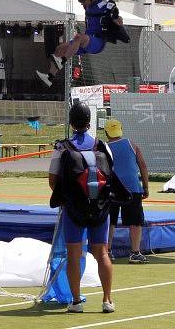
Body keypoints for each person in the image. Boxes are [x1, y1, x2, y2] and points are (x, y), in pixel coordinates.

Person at [48, 102, 115, 314]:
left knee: (73, 254)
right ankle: (107, 300)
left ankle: (76, 301)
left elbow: (53, 180)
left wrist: (67, 196)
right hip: (100, 207)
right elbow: (110, 174)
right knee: (102, 253)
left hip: (73, 209)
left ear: (71, 122)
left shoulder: (62, 147)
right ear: (89, 122)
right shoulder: (102, 145)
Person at [37, 0, 129, 87]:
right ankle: (50, 78)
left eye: (83, 2)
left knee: (79, 37)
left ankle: (62, 61)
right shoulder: (89, 4)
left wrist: (116, 16)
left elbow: (118, 20)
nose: (83, 5)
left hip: (97, 42)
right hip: (86, 41)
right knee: (59, 49)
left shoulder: (103, 6)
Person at [105, 119, 149, 264]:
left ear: (106, 132)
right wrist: (146, 187)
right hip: (132, 187)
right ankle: (135, 253)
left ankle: (108, 251)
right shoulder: (131, 143)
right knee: (135, 222)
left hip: (112, 188)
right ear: (120, 129)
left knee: (109, 221)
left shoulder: (104, 147)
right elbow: (142, 165)